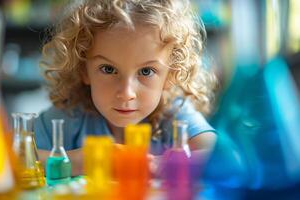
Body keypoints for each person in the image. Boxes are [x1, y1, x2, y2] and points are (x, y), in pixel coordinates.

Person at [35, 0, 217, 176]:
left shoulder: (176, 115)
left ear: (170, 74)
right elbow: (15, 161)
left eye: (146, 71)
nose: (126, 93)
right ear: (84, 70)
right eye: (108, 69)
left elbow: (228, 160)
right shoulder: (68, 117)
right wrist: (85, 160)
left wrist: (157, 166)